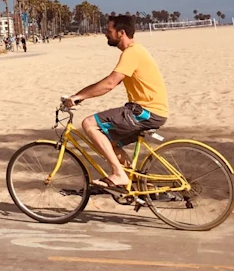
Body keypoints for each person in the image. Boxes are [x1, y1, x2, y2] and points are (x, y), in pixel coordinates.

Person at [63, 14, 169, 194]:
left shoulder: (132, 52)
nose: (105, 33)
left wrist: (78, 96)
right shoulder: (135, 51)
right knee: (106, 142)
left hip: (146, 112)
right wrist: (80, 95)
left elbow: (110, 84)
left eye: (109, 30)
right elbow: (113, 82)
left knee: (89, 124)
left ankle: (119, 174)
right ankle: (142, 185)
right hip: (150, 111)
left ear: (121, 33)